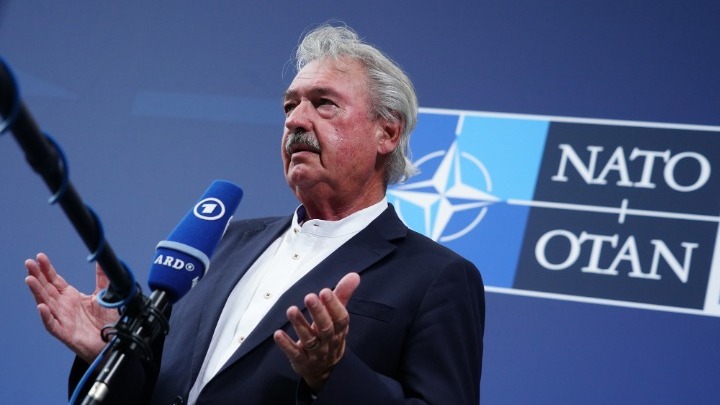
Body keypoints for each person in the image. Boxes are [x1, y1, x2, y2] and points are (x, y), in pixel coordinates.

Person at [25, 23, 485, 404]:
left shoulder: (436, 277)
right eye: (290, 105)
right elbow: (163, 388)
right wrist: (112, 354)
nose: (296, 120)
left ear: (387, 132)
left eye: (324, 104)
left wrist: (333, 374)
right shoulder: (223, 242)